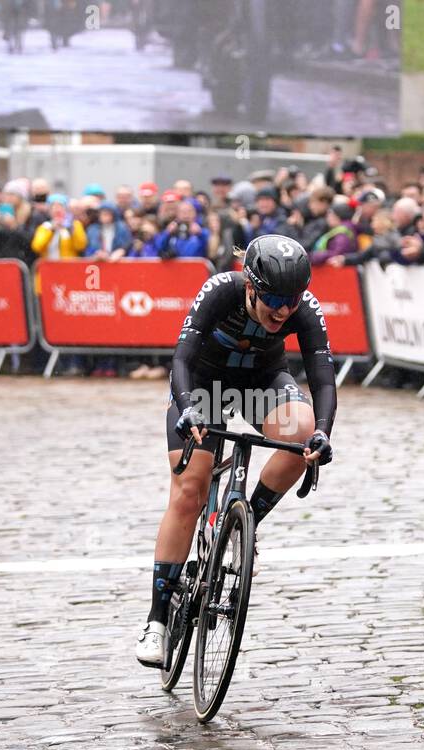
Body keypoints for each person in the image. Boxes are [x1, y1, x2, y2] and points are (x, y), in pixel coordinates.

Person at [135, 235, 337, 666]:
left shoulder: (304, 308)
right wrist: (188, 406)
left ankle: (239, 529)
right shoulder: (220, 289)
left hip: (261, 386)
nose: (284, 310)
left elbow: (322, 377)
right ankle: (156, 620)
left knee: (299, 432)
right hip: (205, 388)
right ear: (250, 286)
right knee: (189, 491)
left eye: (292, 299)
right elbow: (182, 358)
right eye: (274, 299)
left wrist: (321, 432)